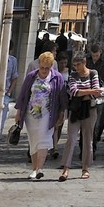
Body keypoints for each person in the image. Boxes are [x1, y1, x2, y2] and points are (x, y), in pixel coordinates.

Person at [15, 50, 67, 181]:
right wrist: (18, 112)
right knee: (34, 142)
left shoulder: (57, 77)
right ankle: (34, 169)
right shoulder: (31, 76)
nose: (44, 70)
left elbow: (62, 97)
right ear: (38, 65)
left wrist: (62, 113)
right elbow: (23, 95)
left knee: (43, 141)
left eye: (47, 68)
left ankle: (38, 169)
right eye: (42, 67)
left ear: (51, 67)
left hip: (48, 115)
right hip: (31, 115)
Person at [60, 54, 102, 180]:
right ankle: (66, 168)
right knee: (71, 139)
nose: (76, 67)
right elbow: (73, 91)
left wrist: (85, 93)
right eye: (74, 65)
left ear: (84, 63)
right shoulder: (73, 75)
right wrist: (89, 92)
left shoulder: (93, 73)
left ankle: (85, 168)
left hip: (90, 110)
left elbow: (97, 91)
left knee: (87, 139)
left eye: (78, 65)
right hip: (76, 110)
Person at [1, 44, 18, 138]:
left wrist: (9, 92)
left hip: (5, 93)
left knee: (1, 122)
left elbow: (14, 77)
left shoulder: (12, 60)